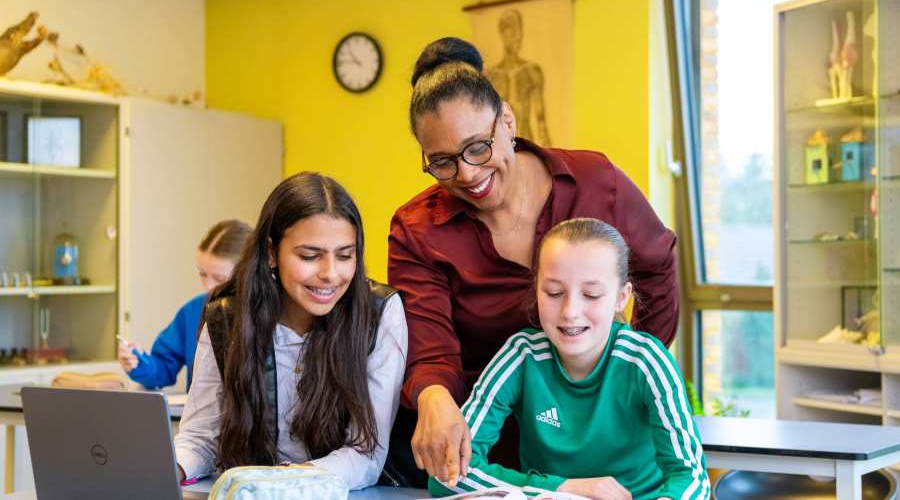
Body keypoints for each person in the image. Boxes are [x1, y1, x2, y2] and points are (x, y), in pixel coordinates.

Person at [388, 37, 679, 487]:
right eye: (442, 162)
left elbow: (657, 270)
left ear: (507, 119)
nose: (466, 174)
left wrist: (622, 375)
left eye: (477, 148)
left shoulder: (595, 182)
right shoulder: (418, 229)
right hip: (490, 449)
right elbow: (431, 346)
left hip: (607, 447)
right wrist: (433, 397)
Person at [430, 218, 708, 500]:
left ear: (621, 298)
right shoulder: (520, 355)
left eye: (591, 294)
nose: (570, 311)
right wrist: (561, 486)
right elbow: (447, 474)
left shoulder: (646, 361)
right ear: (536, 290)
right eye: (554, 293)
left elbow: (692, 479)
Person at [174, 172, 408, 490]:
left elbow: (365, 455)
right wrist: (167, 468)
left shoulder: (379, 313)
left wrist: (281, 481)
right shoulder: (227, 315)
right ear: (272, 252)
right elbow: (200, 438)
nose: (330, 274)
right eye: (309, 256)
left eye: (344, 255)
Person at [118, 219, 251, 390]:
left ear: (247, 272)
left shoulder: (269, 314)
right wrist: (138, 363)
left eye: (219, 279)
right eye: (203, 274)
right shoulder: (192, 311)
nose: (208, 286)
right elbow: (163, 367)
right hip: (198, 416)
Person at [485, 9, 552, 146]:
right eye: (513, 31)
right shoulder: (492, 76)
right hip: (500, 143)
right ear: (503, 34)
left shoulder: (531, 71)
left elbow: (541, 121)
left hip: (525, 141)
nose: (518, 37)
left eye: (519, 31)